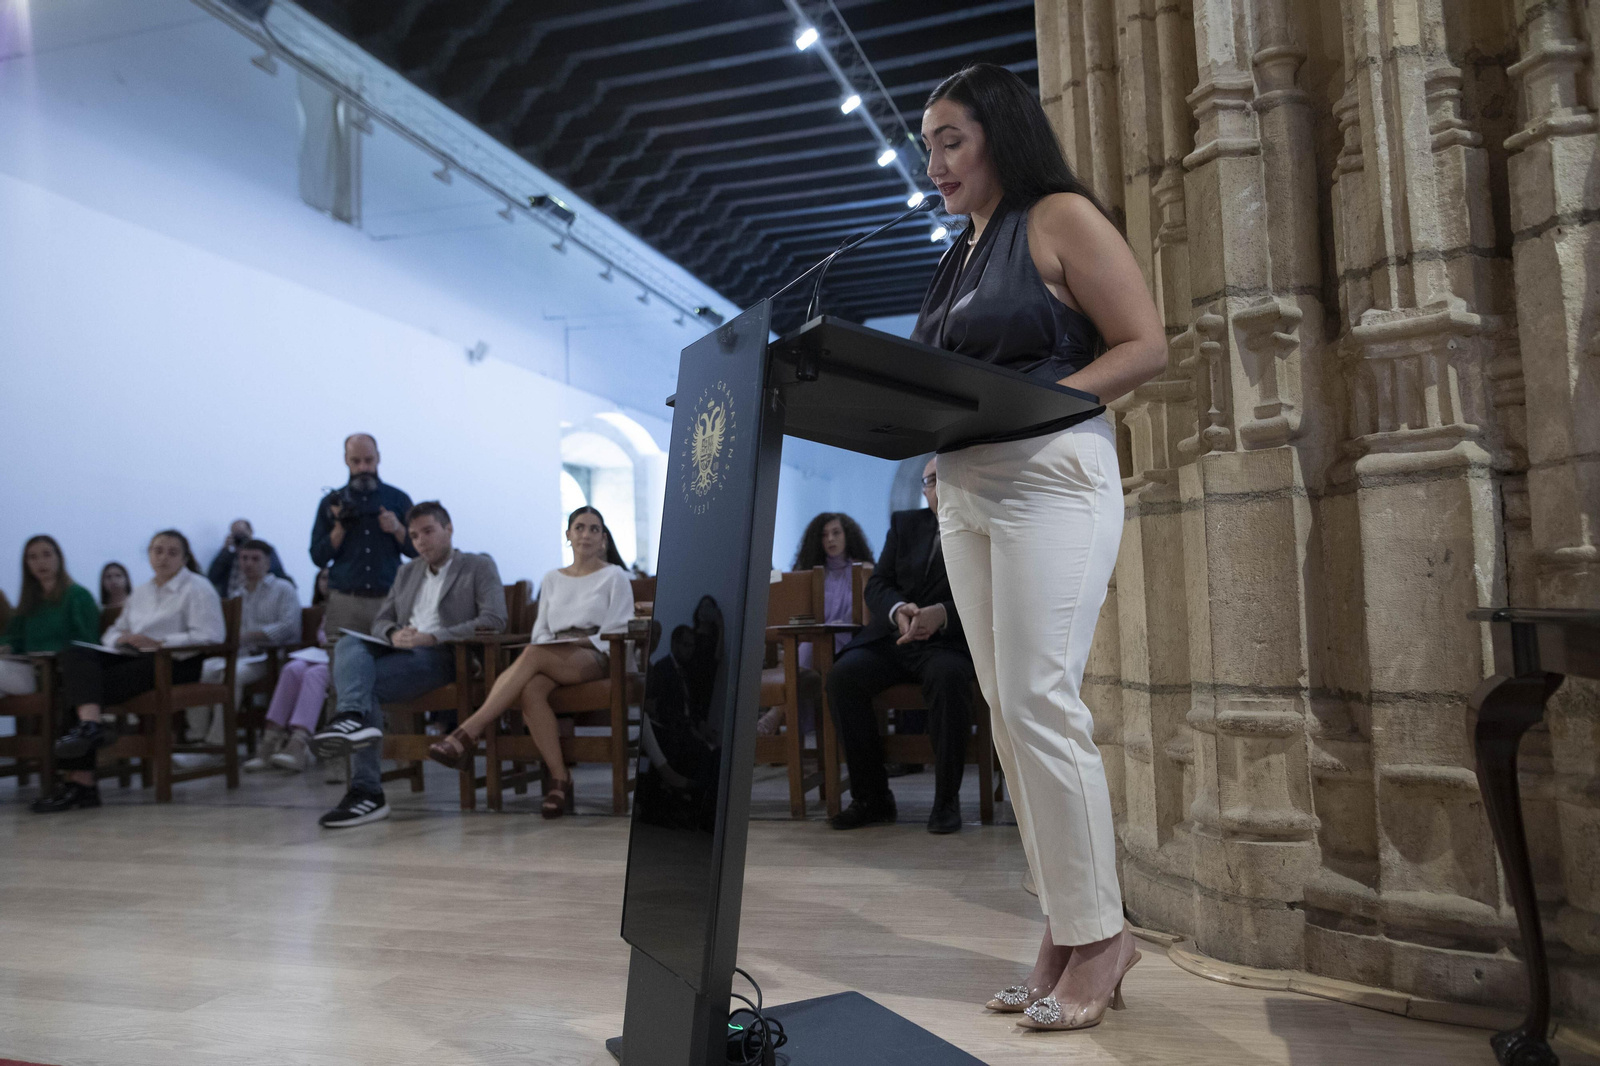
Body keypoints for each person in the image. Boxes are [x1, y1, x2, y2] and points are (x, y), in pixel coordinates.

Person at [913, 65, 1167, 1030]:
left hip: (1050, 478)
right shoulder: (958, 251)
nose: (932, 162)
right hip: (968, 491)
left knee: (1039, 703)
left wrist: (1034, 411)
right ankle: (1066, 928)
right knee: (1010, 717)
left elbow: (1146, 344)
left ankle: (1104, 941)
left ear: (999, 137)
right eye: (927, 144)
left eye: (950, 141)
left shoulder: (1056, 215)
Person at [426, 506, 634, 818]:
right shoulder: (552, 578)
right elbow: (541, 631)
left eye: (594, 529)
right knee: (530, 690)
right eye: (579, 527)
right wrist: (553, 644)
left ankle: (468, 732)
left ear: (603, 538)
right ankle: (560, 778)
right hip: (553, 651)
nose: (586, 534)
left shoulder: (614, 576)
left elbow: (618, 628)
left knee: (534, 653)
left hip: (596, 653)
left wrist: (573, 642)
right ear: (568, 535)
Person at [310, 502, 505, 828]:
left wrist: (433, 637)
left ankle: (365, 791)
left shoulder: (477, 566)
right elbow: (381, 621)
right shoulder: (407, 571)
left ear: (449, 528)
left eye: (428, 531)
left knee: (359, 685)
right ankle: (352, 719)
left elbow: (494, 620)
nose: (421, 541)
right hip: (400, 653)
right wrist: (395, 633)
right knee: (348, 643)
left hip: (446, 657)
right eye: (414, 536)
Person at [825, 458, 975, 836]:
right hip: (894, 637)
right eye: (930, 481)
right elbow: (877, 585)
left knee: (949, 677)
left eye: (944, 478)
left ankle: (946, 801)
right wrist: (897, 610)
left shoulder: (980, 528)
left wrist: (942, 614)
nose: (937, 487)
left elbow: (993, 593)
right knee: (843, 676)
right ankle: (872, 798)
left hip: (946, 643)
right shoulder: (905, 524)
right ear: (924, 492)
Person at [35, 530, 225, 813]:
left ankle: (82, 784)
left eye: (173, 552)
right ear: (149, 554)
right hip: (134, 658)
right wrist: (120, 639)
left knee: (76, 692)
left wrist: (159, 642)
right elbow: (114, 630)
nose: (164, 557)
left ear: (185, 558)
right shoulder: (143, 591)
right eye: (158, 550)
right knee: (75, 655)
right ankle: (91, 727)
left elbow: (211, 636)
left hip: (175, 663)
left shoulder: (198, 587)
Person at [176, 540, 301, 769]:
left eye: (255, 559)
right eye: (244, 558)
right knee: (200, 671)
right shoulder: (237, 593)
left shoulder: (284, 588)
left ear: (267, 561)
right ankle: (198, 739)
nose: (248, 564)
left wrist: (251, 635)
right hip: (240, 655)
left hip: (270, 657)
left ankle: (217, 745)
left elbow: (289, 627)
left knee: (231, 675)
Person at [309, 433, 418, 678]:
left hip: (390, 600)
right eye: (356, 461)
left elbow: (416, 551)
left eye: (368, 460)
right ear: (346, 461)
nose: (363, 468)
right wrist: (339, 528)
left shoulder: (397, 499)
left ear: (378, 458)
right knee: (341, 674)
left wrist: (398, 529)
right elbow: (317, 557)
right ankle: (342, 718)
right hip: (346, 601)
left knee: (395, 674)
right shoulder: (331, 503)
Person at [756, 512, 874, 737]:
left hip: (852, 643)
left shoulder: (864, 569)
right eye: (824, 535)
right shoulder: (812, 573)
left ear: (847, 535)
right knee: (807, 650)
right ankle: (803, 750)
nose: (830, 539)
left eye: (836, 533)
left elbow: (867, 620)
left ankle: (775, 714)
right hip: (816, 642)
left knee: (804, 654)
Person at [246, 567, 331, 773]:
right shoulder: (327, 608)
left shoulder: (358, 603)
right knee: (293, 668)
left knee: (314, 674)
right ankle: (270, 741)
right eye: (324, 578)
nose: (328, 582)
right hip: (325, 654)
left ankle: (299, 744)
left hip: (346, 659)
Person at [0, 536, 100, 696]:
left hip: (62, 674)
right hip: (29, 670)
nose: (40, 562)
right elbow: (14, 637)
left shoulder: (78, 596)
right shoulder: (28, 602)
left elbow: (87, 643)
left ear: (58, 558)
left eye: (46, 554)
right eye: (33, 557)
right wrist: (7, 646)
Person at [206, 518, 290, 599]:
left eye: (242, 534)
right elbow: (212, 578)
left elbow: (278, 574)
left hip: (260, 600)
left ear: (251, 532)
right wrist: (225, 550)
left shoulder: (264, 551)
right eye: (236, 535)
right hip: (232, 603)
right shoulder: (229, 556)